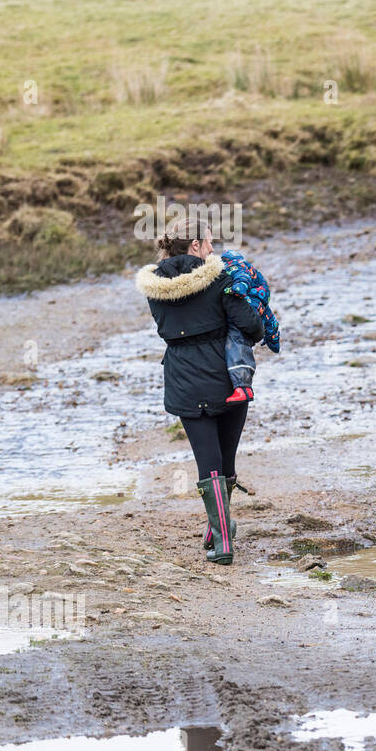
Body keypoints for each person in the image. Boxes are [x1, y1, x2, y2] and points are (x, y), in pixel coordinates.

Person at [136, 218, 264, 564]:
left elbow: (169, 328)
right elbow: (253, 328)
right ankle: (222, 537)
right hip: (225, 378)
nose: (212, 249)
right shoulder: (220, 279)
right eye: (208, 243)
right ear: (194, 246)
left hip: (183, 381)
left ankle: (218, 535)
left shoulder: (154, 288)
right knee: (225, 460)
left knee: (207, 460)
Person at [218, 249, 280, 403]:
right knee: (266, 317)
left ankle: (242, 386)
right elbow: (270, 319)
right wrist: (273, 339)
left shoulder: (235, 267)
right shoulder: (252, 274)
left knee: (236, 341)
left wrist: (238, 289)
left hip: (245, 302)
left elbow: (242, 277)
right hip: (255, 301)